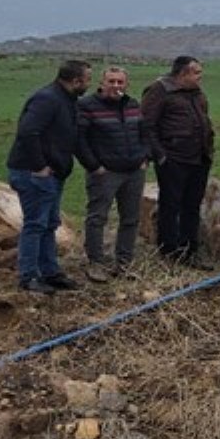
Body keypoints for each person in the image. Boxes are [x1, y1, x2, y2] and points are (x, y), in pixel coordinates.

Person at [6, 60, 91, 294]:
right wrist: (39, 166)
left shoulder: (68, 101)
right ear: (76, 81)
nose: (88, 84)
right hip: (34, 173)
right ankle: (29, 276)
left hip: (53, 173)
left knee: (50, 223)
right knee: (35, 224)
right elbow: (28, 131)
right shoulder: (48, 99)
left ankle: (50, 272)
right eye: (87, 79)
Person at [75, 66, 150, 282]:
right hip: (105, 173)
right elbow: (80, 140)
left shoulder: (133, 104)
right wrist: (93, 166)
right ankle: (96, 263)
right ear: (102, 83)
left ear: (127, 84)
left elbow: (145, 133)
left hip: (134, 171)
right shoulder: (87, 106)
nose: (116, 86)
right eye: (111, 82)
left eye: (120, 82)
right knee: (98, 217)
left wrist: (145, 157)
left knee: (131, 218)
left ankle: (124, 263)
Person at [142, 55, 216, 269]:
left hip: (199, 158)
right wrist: (161, 156)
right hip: (173, 159)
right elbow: (147, 126)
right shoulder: (159, 90)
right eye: (197, 73)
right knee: (170, 206)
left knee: (192, 206)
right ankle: (168, 251)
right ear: (183, 74)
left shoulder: (197, 93)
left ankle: (190, 250)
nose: (200, 77)